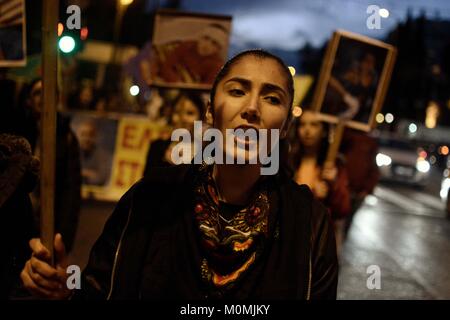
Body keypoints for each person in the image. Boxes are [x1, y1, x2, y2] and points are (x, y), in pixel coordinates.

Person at [21, 50, 338, 300]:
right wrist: (63, 291)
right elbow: (99, 292)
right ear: (211, 113)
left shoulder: (309, 222)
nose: (252, 107)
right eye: (238, 90)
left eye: (272, 98)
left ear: (285, 127)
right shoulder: (150, 200)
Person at [22, 79, 82, 253]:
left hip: (48, 225)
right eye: (37, 93)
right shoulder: (19, 131)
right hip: (21, 221)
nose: (43, 97)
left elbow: (71, 193)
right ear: (28, 100)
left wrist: (63, 239)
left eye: (49, 92)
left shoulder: (67, 137)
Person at [289, 109, 351, 253]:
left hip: (316, 243)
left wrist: (334, 184)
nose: (307, 130)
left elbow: (343, 209)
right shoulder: (289, 160)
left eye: (314, 125)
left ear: (324, 130)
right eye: (303, 125)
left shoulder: (334, 163)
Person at [143, 91, 205, 173]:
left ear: (200, 117)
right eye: (177, 112)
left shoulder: (206, 153)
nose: (182, 118)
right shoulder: (157, 148)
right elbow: (146, 183)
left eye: (190, 113)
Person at [151, 24, 227, 85]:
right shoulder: (187, 46)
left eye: (214, 43)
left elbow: (206, 88)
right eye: (206, 38)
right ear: (200, 38)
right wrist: (177, 82)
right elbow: (167, 66)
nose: (207, 45)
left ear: (218, 49)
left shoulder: (217, 64)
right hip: (173, 81)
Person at [76, 120, 110, 186]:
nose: (86, 139)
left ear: (95, 137)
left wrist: (82, 173)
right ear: (77, 136)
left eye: (90, 135)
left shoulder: (102, 155)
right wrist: (90, 174)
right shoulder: (71, 153)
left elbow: (102, 178)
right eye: (83, 134)